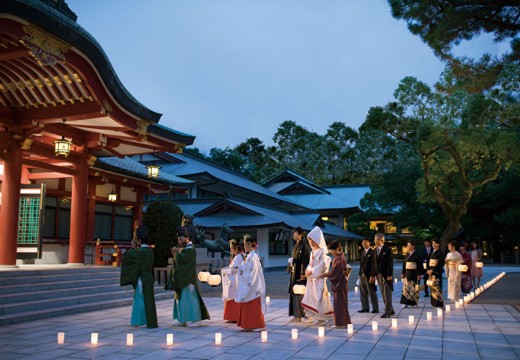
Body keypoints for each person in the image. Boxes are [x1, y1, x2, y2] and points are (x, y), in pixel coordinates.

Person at [165, 226, 210, 327]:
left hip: (188, 278)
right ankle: (182, 319)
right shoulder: (184, 248)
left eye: (181, 238)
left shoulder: (190, 249)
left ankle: (196, 319)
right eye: (178, 239)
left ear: (187, 238)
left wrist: (176, 253)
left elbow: (182, 260)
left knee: (191, 298)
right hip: (181, 277)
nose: (179, 241)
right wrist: (176, 253)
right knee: (180, 299)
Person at [120, 226, 158, 328]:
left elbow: (128, 256)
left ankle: (140, 321)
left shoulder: (139, 251)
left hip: (141, 278)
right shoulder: (150, 251)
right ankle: (149, 320)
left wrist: (133, 246)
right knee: (148, 300)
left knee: (140, 299)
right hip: (149, 276)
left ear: (140, 240)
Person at [301, 226, 334, 325]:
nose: (311, 242)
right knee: (311, 297)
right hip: (311, 278)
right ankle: (312, 316)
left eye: (313, 240)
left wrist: (312, 271)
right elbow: (310, 264)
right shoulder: (312, 252)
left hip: (318, 278)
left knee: (319, 297)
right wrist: (307, 271)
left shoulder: (322, 251)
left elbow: (323, 265)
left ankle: (321, 318)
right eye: (310, 240)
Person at [236, 234, 266, 331]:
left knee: (253, 305)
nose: (244, 247)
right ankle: (248, 324)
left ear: (249, 244)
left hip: (252, 284)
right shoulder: (250, 255)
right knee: (249, 304)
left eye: (245, 244)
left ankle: (256, 324)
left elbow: (252, 271)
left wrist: (241, 269)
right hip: (250, 283)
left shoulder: (254, 256)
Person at [320, 240, 351, 328]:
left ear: (337, 248)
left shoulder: (339, 258)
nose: (331, 252)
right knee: (340, 303)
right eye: (330, 250)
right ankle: (344, 322)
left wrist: (326, 274)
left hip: (340, 284)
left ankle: (340, 323)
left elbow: (335, 272)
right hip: (341, 283)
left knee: (339, 304)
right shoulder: (339, 257)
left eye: (332, 250)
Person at [288, 227, 311, 322]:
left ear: (300, 234)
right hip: (294, 271)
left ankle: (303, 315)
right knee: (294, 293)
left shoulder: (304, 245)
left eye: (295, 233)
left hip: (300, 272)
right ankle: (296, 315)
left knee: (300, 293)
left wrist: (303, 273)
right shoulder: (296, 245)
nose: (294, 235)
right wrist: (291, 262)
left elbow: (305, 260)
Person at [221, 239, 244, 323]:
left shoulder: (238, 258)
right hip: (233, 280)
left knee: (233, 297)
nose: (230, 250)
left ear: (236, 248)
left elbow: (234, 270)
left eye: (231, 248)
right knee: (231, 297)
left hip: (235, 281)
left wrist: (225, 270)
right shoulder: (236, 257)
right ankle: (231, 316)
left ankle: (234, 316)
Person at [374, 233, 394, 318]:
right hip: (379, 274)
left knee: (387, 292)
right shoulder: (375, 250)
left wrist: (389, 274)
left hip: (386, 274)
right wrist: (374, 274)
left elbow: (390, 262)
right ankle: (391, 309)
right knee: (383, 292)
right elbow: (374, 263)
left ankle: (387, 312)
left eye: (376, 240)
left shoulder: (387, 249)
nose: (375, 241)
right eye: (374, 240)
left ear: (381, 240)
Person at [358, 238, 378, 314]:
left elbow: (374, 265)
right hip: (362, 274)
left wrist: (373, 275)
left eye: (366, 242)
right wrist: (359, 274)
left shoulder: (372, 252)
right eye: (363, 243)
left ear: (369, 243)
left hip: (369, 275)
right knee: (363, 292)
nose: (364, 244)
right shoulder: (363, 252)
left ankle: (375, 308)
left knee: (372, 292)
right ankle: (365, 307)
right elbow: (361, 264)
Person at [400, 241, 423, 308]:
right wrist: (402, 272)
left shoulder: (417, 254)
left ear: (413, 246)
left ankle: (414, 302)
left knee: (414, 288)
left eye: (410, 245)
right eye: (408, 245)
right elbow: (404, 264)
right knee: (405, 288)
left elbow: (419, 265)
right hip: (407, 272)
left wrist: (419, 274)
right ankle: (405, 303)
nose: (408, 247)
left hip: (414, 273)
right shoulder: (407, 254)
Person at [427, 238, 444, 308]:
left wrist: (433, 270)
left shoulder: (440, 253)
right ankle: (434, 303)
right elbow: (429, 261)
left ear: (439, 244)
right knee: (432, 288)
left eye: (435, 243)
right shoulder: (432, 251)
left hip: (436, 272)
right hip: (431, 272)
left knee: (437, 287)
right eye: (432, 243)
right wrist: (428, 269)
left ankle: (439, 304)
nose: (433, 245)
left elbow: (439, 263)